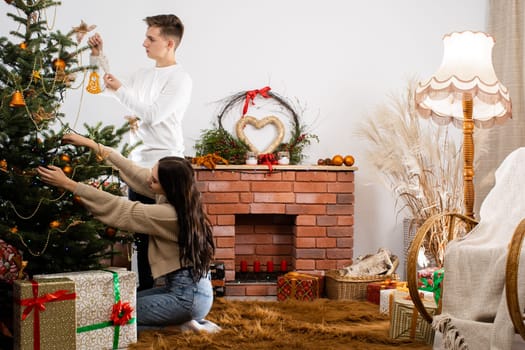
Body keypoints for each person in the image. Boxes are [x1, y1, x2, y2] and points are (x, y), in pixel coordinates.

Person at [36, 133, 219, 333]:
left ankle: (180, 327)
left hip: (187, 298)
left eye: (154, 180)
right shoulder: (180, 197)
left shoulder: (169, 214)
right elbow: (130, 169)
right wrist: (90, 143)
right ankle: (183, 323)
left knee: (117, 316)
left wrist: (68, 184)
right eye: (152, 173)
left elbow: (120, 207)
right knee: (119, 306)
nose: (149, 181)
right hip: (185, 291)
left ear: (169, 186)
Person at [88, 14, 193, 290]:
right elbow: (102, 89)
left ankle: (176, 297)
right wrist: (98, 58)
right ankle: (146, 300)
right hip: (139, 168)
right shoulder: (143, 75)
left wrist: (120, 89)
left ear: (169, 43)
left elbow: (153, 114)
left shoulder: (180, 79)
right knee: (140, 239)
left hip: (166, 168)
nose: (144, 43)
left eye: (151, 38)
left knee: (166, 241)